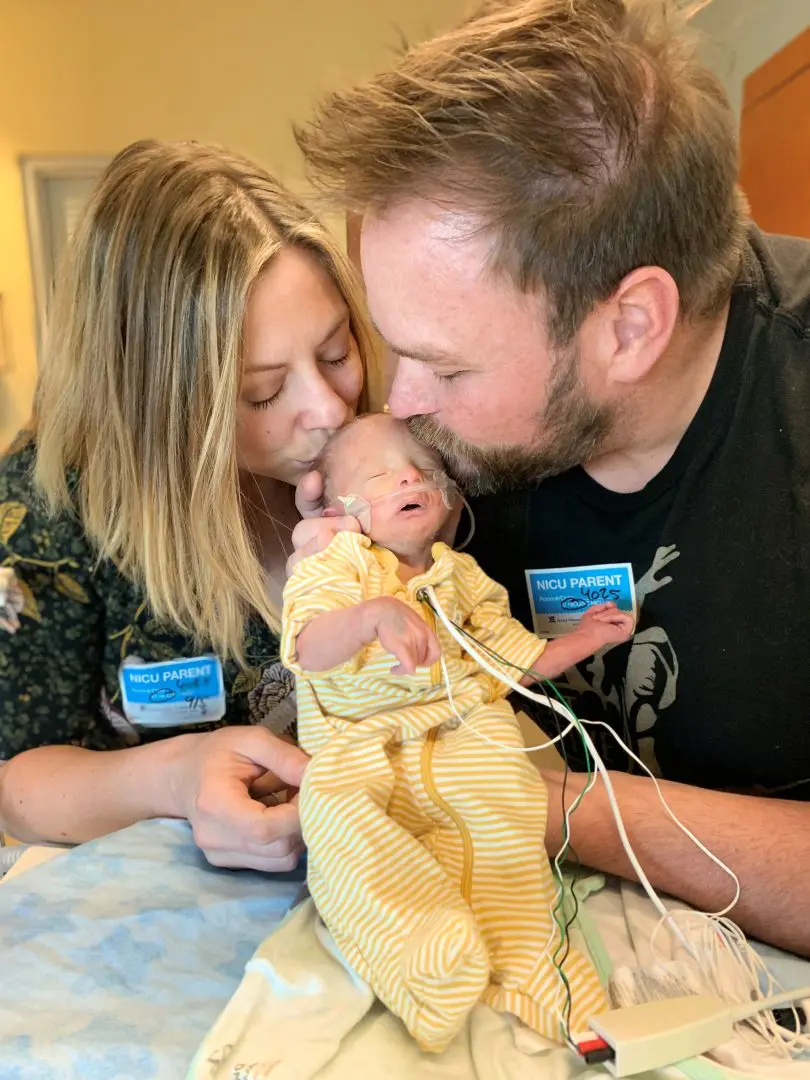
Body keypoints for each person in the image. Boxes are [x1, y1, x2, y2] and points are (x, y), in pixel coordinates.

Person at [290, 0, 810, 955]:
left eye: (447, 369)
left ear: (630, 327)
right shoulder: (432, 450)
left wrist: (544, 803)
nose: (399, 404)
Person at [0, 139, 382, 870]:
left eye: (337, 353)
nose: (331, 410)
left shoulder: (377, 458)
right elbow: (13, 785)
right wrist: (176, 776)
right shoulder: (46, 516)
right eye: (263, 392)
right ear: (162, 408)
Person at [283, 414, 630, 1050]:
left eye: (422, 470)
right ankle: (422, 955)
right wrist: (372, 616)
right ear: (339, 509)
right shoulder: (339, 565)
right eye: (380, 475)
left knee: (507, 840)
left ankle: (548, 984)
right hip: (360, 748)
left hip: (468, 738)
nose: (408, 476)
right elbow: (308, 648)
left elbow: (513, 662)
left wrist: (582, 638)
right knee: (340, 829)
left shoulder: (462, 579)